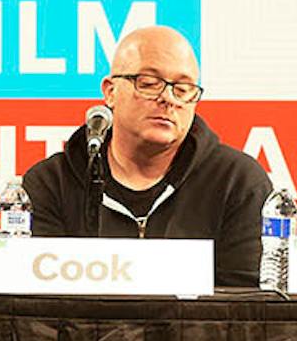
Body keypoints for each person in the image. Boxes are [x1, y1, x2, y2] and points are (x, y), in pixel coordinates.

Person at [19, 25, 271, 288]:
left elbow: (246, 309)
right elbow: (36, 309)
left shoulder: (237, 183)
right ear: (110, 92)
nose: (168, 98)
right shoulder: (51, 184)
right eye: (149, 84)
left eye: (183, 89)